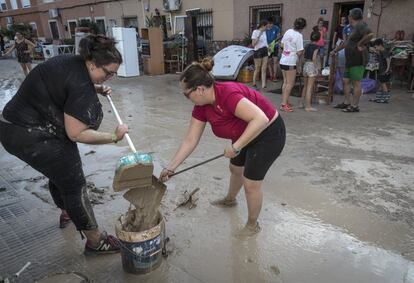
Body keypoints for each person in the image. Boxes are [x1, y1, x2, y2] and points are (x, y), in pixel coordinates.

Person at [0, 35, 128, 254]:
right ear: (92, 63)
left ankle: (67, 211)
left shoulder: (71, 61)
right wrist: (114, 137)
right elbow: (76, 133)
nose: (111, 77)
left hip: (8, 126)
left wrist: (96, 87)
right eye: (108, 73)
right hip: (32, 134)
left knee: (59, 172)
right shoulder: (81, 86)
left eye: (114, 73)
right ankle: (96, 242)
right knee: (74, 184)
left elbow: (62, 85)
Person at [159, 58, 286, 237]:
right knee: (235, 168)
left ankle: (252, 224)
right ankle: (230, 200)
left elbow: (261, 119)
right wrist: (170, 167)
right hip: (246, 132)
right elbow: (190, 140)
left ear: (200, 89)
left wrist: (236, 147)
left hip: (268, 133)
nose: (186, 98)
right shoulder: (201, 106)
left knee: (251, 183)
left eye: (186, 94)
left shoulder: (228, 94)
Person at [331, 8, 374, 112]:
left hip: (358, 59)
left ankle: (354, 106)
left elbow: (370, 34)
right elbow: (346, 43)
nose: (348, 17)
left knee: (356, 82)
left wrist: (360, 44)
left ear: (352, 17)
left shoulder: (360, 25)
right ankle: (346, 102)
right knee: (345, 80)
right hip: (350, 59)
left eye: (349, 15)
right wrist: (335, 50)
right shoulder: (353, 27)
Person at [279, 17, 306, 112]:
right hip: (291, 61)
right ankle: (283, 104)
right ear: (303, 27)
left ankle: (285, 101)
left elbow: (282, 45)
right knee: (290, 83)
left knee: (285, 82)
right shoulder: (299, 36)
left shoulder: (288, 31)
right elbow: (299, 51)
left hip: (283, 60)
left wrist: (287, 50)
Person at [300, 29, 321, 112]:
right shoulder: (316, 47)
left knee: (305, 86)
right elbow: (314, 58)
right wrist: (317, 68)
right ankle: (308, 106)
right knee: (310, 87)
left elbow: (302, 57)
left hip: (305, 65)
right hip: (311, 66)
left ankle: (301, 103)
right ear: (319, 39)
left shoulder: (307, 46)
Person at [371, 38, 391, 103]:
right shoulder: (381, 52)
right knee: (381, 84)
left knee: (383, 84)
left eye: (376, 47)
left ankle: (386, 98)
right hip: (381, 70)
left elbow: (388, 60)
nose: (375, 48)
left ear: (380, 45)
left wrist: (387, 69)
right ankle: (378, 98)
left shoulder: (384, 51)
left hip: (384, 71)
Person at [251, 20, 269, 89]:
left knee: (264, 68)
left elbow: (265, 42)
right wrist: (259, 35)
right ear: (262, 26)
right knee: (257, 68)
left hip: (265, 50)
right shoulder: (255, 32)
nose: (267, 28)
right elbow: (253, 44)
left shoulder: (265, 32)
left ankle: (263, 85)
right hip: (258, 51)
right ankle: (254, 83)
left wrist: (268, 47)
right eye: (266, 26)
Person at [266, 16, 280, 82]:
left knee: (275, 61)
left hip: (275, 46)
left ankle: (274, 76)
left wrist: (274, 43)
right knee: (269, 62)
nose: (269, 25)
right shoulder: (265, 28)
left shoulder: (276, 28)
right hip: (268, 47)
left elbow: (278, 37)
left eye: (271, 23)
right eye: (268, 23)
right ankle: (271, 76)